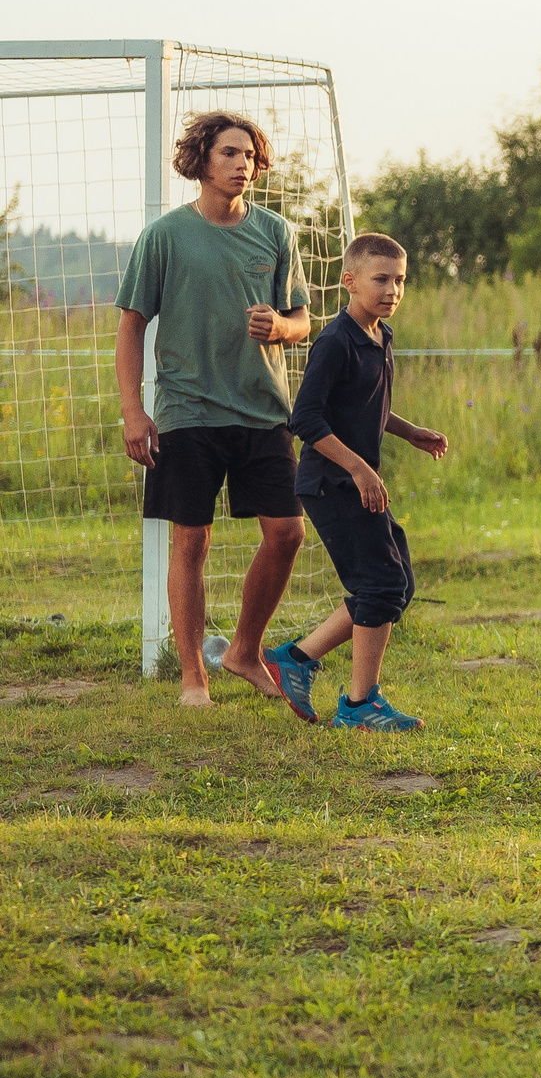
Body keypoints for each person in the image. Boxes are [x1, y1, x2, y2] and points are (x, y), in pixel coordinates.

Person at [115, 112, 311, 707]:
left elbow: (302, 320)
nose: (241, 165)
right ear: (201, 160)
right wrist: (133, 411)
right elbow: (131, 326)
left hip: (263, 409)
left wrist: (280, 327)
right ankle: (193, 678)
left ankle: (244, 651)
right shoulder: (164, 236)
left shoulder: (276, 232)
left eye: (249, 156)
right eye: (229, 153)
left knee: (287, 533)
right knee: (191, 540)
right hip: (187, 409)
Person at [267, 233, 447, 731]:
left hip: (354, 481)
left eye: (400, 281)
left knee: (397, 584)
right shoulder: (335, 341)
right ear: (349, 281)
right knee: (381, 585)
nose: (392, 290)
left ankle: (296, 659)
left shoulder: (380, 336)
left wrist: (410, 432)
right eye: (381, 279)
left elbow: (366, 405)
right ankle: (359, 704)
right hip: (331, 482)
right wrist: (359, 468)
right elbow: (306, 419)